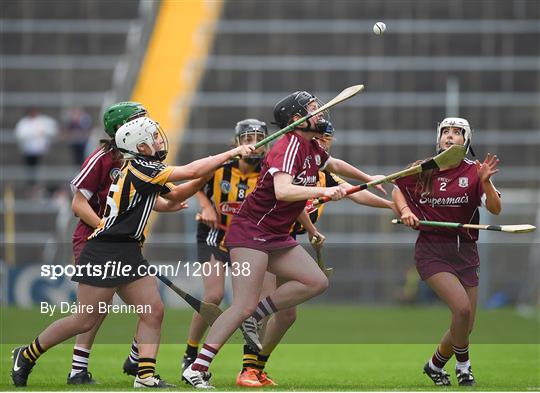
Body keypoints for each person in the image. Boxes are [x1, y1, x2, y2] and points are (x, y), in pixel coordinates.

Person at [11, 116, 254, 388]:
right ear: (140, 146)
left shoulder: (146, 168)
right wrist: (230, 154)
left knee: (153, 311)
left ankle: (145, 376)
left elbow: (177, 194)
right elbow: (189, 171)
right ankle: (26, 354)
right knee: (84, 319)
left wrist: (207, 173)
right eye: (154, 138)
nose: (159, 140)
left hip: (128, 249)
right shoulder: (142, 168)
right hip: (104, 250)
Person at [182, 90, 386, 388]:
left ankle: (258, 314)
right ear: (296, 120)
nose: (322, 113)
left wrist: (368, 177)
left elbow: (335, 165)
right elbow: (284, 191)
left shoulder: (311, 147)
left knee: (316, 282)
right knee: (242, 306)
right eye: (314, 109)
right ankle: (197, 368)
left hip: (276, 235)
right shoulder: (287, 146)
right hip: (251, 232)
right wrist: (324, 192)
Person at [236, 122, 398, 387]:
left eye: (327, 139)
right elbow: (286, 197)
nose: (322, 143)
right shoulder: (293, 163)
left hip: (288, 242)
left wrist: (392, 206)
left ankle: (259, 366)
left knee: (287, 315)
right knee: (262, 305)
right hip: (264, 237)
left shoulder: (323, 171)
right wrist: (312, 226)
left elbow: (355, 194)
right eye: (319, 138)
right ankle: (246, 369)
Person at [392, 117, 501, 386]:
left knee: (466, 324)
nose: (450, 137)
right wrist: (405, 211)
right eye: (445, 132)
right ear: (438, 138)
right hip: (432, 252)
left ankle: (434, 365)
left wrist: (485, 183)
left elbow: (496, 209)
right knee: (461, 310)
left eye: (457, 133)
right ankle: (464, 367)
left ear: (466, 140)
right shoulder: (422, 169)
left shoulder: (476, 171)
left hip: (465, 253)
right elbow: (397, 189)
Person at [14, 108, 58, 191]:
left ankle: (40, 188)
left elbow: (53, 129)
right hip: (29, 152)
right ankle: (32, 187)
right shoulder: (24, 122)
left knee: (41, 170)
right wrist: (33, 135)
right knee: (31, 170)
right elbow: (20, 134)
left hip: (42, 152)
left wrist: (43, 133)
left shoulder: (44, 120)